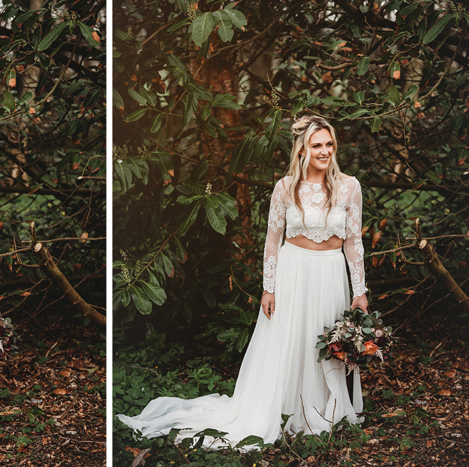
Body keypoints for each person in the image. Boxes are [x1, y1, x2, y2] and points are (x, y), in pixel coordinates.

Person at [117, 115, 368, 450]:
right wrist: (269, 287)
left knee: (323, 340)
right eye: (316, 145)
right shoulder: (285, 187)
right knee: (290, 341)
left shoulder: (349, 187)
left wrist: (360, 291)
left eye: (329, 144)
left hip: (330, 273)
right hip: (293, 271)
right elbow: (271, 241)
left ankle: (324, 409)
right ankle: (285, 410)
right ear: (302, 150)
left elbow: (353, 242)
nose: (324, 151)